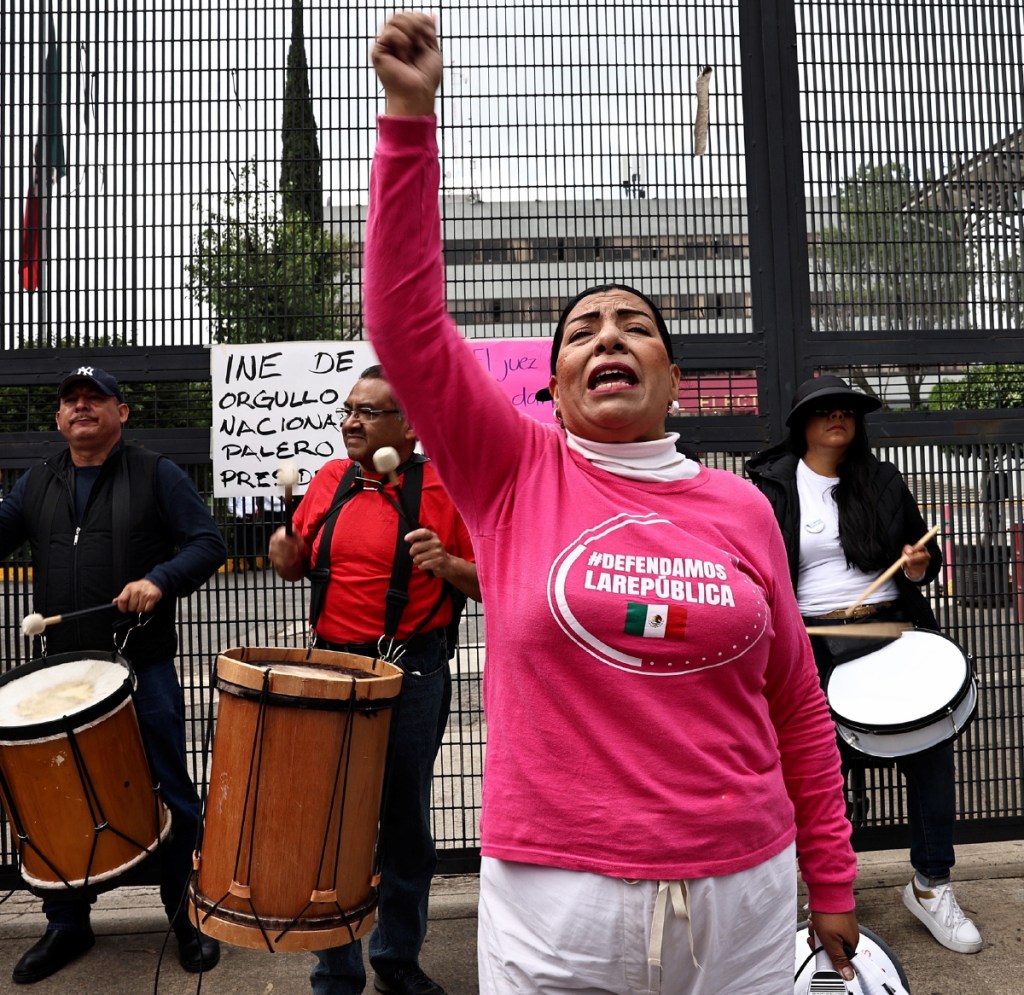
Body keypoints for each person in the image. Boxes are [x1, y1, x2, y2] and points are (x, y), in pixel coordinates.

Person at [362, 14, 859, 994]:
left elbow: (796, 701)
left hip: (746, 893)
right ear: (554, 381)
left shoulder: (740, 504)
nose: (608, 335)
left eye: (635, 324)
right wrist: (410, 117)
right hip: (559, 900)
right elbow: (406, 324)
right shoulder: (511, 470)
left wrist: (830, 872)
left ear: (672, 375)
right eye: (582, 328)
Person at [0, 366, 227, 984]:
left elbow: (207, 543)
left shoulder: (157, 473)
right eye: (70, 401)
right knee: (59, 801)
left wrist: (159, 580)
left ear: (121, 412)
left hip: (139, 669)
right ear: (57, 419)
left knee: (170, 794)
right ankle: (66, 924)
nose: (80, 408)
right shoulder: (37, 481)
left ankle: (187, 918)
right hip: (61, 673)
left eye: (94, 398)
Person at [745, 374, 983, 955]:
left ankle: (931, 885)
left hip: (886, 630)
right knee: (813, 767)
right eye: (824, 410)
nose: (837, 418)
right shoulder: (770, 486)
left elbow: (916, 564)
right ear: (802, 422)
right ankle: (822, 892)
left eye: (847, 410)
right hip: (807, 640)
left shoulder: (880, 480)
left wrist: (918, 565)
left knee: (928, 753)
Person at [268, 365, 480, 995]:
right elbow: (300, 562)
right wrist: (288, 558)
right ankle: (336, 970)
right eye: (348, 409)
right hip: (332, 669)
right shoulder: (332, 481)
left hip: (410, 671)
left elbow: (494, 578)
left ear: (408, 424)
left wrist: (447, 564)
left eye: (367, 412)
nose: (351, 422)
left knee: (404, 823)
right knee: (333, 826)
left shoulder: (445, 487)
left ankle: (396, 958)